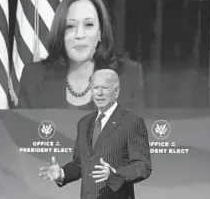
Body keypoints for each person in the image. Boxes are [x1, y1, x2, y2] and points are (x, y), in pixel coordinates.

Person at [17, 0, 144, 110]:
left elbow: (136, 130)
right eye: (70, 26)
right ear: (60, 33)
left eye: (88, 25)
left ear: (100, 32)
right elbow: (22, 131)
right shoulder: (33, 77)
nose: (79, 35)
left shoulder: (127, 76)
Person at [39, 69, 152, 199]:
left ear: (116, 91)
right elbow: (80, 164)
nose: (99, 93)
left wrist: (115, 174)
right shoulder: (84, 123)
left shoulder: (132, 122)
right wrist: (62, 173)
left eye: (104, 88)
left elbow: (143, 166)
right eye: (95, 88)